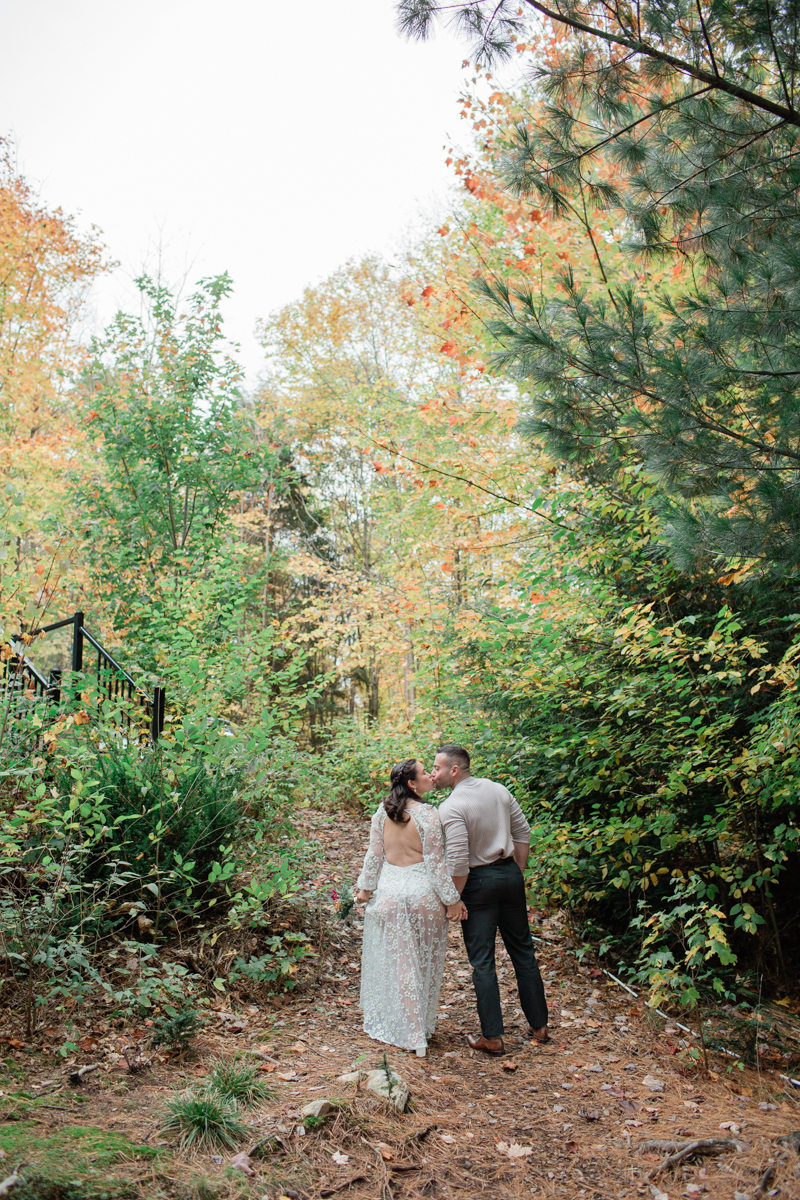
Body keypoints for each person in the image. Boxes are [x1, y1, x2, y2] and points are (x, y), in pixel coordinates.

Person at [433, 743, 548, 1056]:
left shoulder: (451, 807)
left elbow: (457, 860)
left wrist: (453, 898)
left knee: (482, 960)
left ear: (454, 770)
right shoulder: (499, 790)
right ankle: (539, 1026)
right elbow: (523, 833)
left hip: (477, 883)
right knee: (523, 951)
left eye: (437, 768)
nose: (433, 774)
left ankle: (493, 1037)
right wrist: (515, 872)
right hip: (510, 875)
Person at [355, 758, 463, 1057]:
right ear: (413, 784)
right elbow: (437, 864)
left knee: (395, 963)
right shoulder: (428, 814)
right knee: (422, 963)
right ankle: (418, 1031)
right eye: (425, 772)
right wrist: (452, 901)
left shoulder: (383, 811)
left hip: (388, 895)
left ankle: (398, 1026)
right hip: (422, 896)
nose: (431, 775)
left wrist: (365, 889)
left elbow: (374, 855)